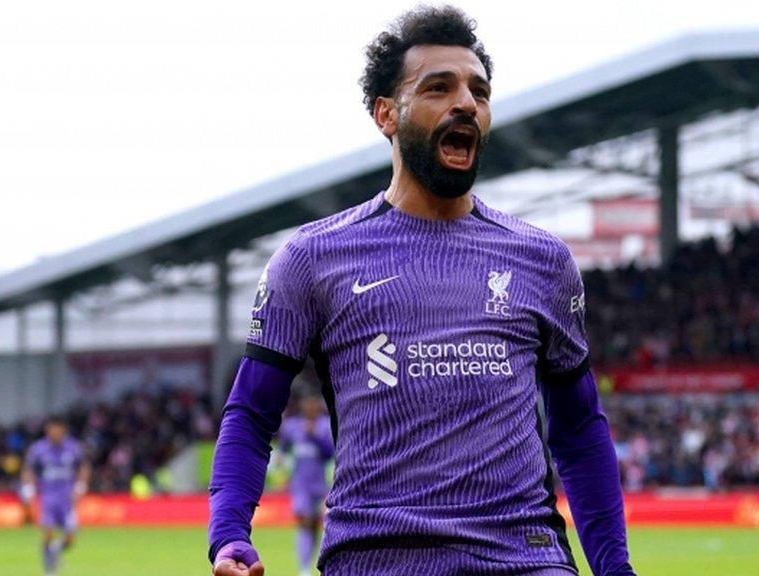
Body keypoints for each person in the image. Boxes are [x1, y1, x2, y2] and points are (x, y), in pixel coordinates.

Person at [207, 5, 635, 576]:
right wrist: (229, 536)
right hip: (376, 559)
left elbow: (579, 428)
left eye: (478, 91)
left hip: (525, 558)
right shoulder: (312, 258)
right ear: (386, 114)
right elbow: (252, 412)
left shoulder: (543, 260)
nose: (466, 102)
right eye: (439, 87)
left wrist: (614, 568)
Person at [20, 416, 90, 576]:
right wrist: (28, 489)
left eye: (58, 429)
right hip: (48, 498)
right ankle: (49, 569)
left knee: (70, 538)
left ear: (63, 430)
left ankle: (54, 551)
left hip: (67, 499)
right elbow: (28, 469)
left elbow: (83, 467)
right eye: (52, 429)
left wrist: (80, 486)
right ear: (47, 430)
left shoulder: (73, 447)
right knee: (48, 532)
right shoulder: (38, 449)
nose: (55, 433)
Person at [279, 396, 335, 576]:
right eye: (307, 404)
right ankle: (304, 569)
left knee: (320, 525)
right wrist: (282, 465)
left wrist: (315, 437)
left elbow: (331, 452)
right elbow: (283, 449)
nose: (310, 407)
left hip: (322, 483)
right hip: (300, 484)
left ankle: (321, 563)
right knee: (304, 522)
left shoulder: (326, 425)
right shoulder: (292, 426)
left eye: (313, 404)